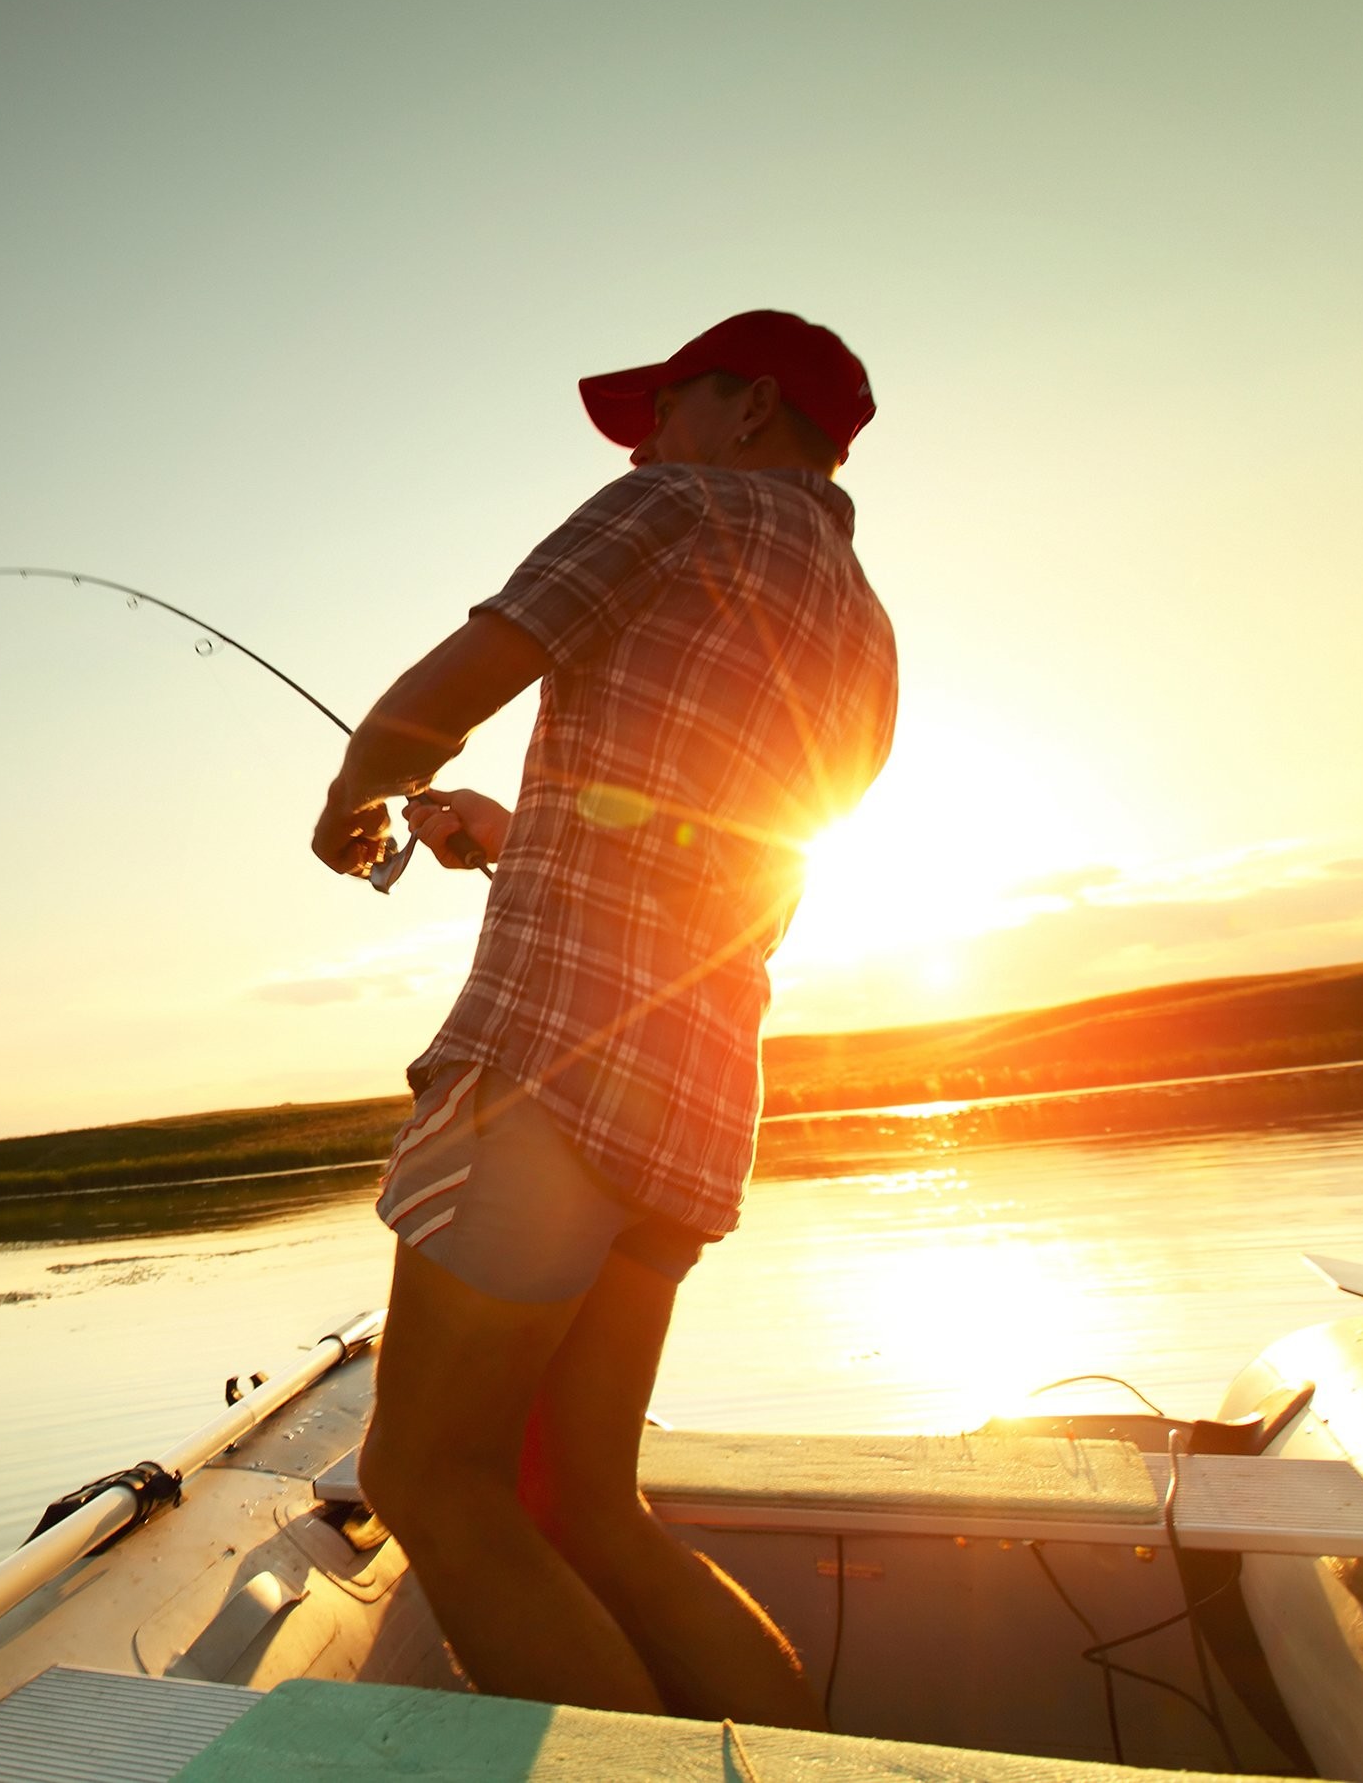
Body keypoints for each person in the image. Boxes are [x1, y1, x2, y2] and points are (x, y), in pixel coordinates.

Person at [309, 308, 899, 1722]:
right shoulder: (866, 630)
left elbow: (447, 689)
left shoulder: (676, 504)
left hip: (550, 1074)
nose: (641, 438)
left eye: (666, 404)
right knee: (588, 1500)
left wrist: (355, 797)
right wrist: (518, 833)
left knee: (426, 1476)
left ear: (750, 406)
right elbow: (723, 854)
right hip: (696, 1106)